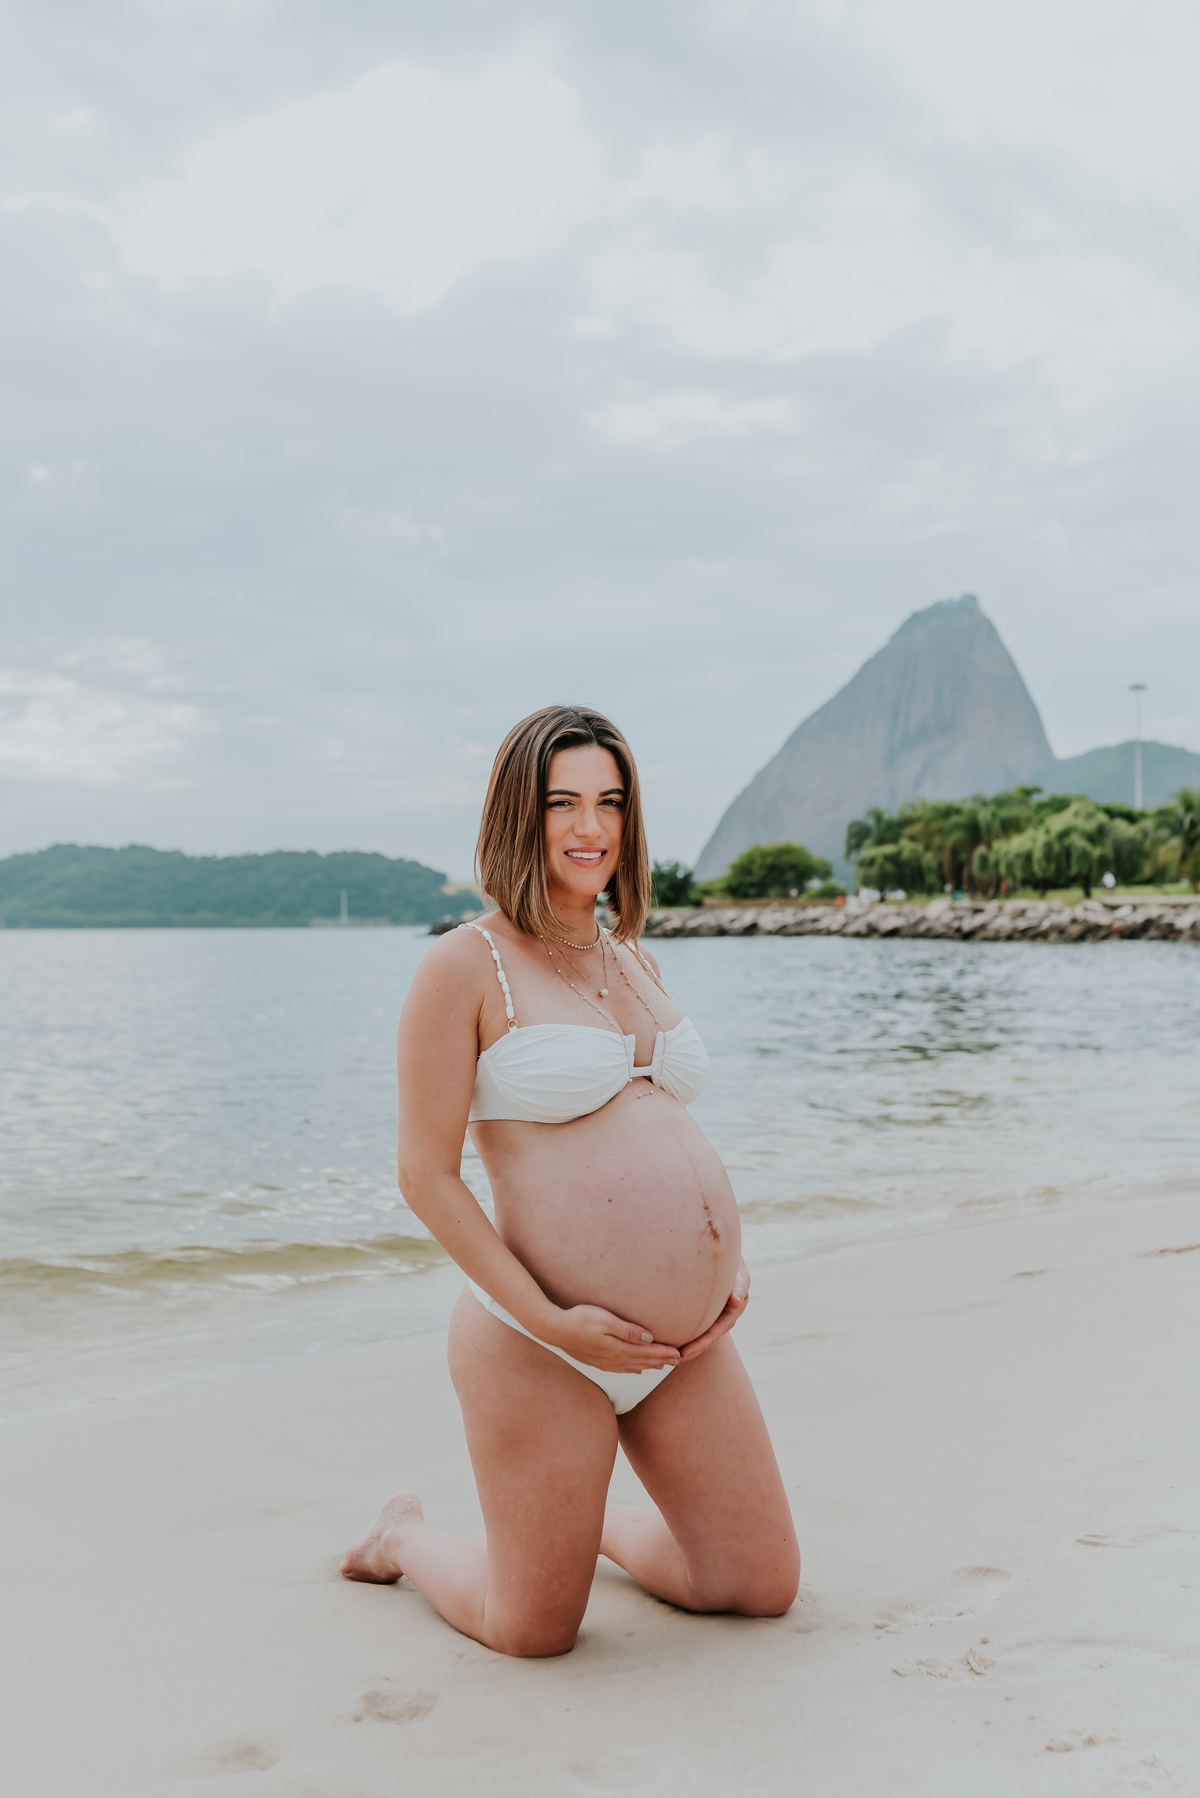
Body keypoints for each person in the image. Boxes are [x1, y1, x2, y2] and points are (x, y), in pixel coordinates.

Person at [341, 705, 800, 1655]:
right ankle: (405, 1536)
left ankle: (588, 1534)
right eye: (563, 803)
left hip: (684, 1347)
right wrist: (551, 1320)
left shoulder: (631, 952)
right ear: (520, 813)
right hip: (537, 1339)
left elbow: (660, 1127)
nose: (590, 828)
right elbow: (425, 1176)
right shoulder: (463, 966)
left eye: (610, 802)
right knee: (533, 1630)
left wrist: (726, 1267)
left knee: (757, 1585)